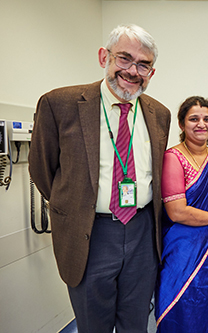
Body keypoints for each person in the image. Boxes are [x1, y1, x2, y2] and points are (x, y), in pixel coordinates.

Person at [28, 24, 171, 332]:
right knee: (93, 323)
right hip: (90, 233)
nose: (133, 71)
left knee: (136, 322)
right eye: (124, 59)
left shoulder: (159, 113)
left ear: (152, 72)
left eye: (143, 64)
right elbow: (41, 169)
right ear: (103, 56)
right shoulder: (60, 104)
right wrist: (75, 208)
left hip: (142, 231)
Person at [155, 96, 208, 333]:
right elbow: (177, 211)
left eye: (207, 119)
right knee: (180, 304)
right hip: (182, 249)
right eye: (194, 119)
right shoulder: (173, 158)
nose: (201, 124)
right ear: (182, 124)